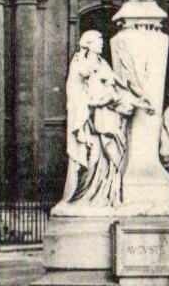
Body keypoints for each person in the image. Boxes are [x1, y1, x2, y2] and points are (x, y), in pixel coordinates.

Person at [61, 30, 152, 208]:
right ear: (88, 43)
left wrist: (138, 97)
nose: (102, 43)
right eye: (98, 40)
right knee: (95, 159)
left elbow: (116, 83)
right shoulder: (80, 62)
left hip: (108, 118)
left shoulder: (102, 63)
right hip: (93, 121)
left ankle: (111, 197)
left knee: (112, 160)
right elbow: (82, 91)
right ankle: (87, 196)